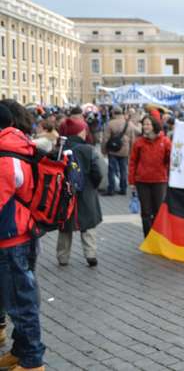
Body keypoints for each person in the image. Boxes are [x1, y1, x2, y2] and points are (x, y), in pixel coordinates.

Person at [0, 102, 46, 371]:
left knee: (21, 303)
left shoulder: (6, 154)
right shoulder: (16, 145)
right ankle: (20, 352)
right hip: (20, 233)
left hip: (12, 238)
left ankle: (32, 362)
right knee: (19, 298)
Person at [56, 118, 104, 267]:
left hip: (65, 192)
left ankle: (63, 256)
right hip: (86, 191)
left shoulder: (59, 148)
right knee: (88, 224)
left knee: (65, 225)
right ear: (79, 131)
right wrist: (93, 186)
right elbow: (99, 172)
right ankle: (90, 254)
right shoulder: (88, 149)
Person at [128, 115, 172, 238]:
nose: (145, 126)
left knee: (158, 211)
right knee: (146, 212)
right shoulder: (139, 142)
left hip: (159, 180)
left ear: (154, 126)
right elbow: (132, 162)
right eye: (144, 124)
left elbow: (171, 160)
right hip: (142, 181)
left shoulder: (165, 141)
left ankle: (158, 237)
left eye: (148, 124)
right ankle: (148, 237)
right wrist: (131, 181)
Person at [102, 106, 134, 196]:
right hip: (125, 150)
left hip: (113, 150)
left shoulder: (110, 124)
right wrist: (131, 151)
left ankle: (111, 189)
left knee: (111, 170)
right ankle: (123, 188)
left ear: (113, 113)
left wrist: (103, 150)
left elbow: (105, 139)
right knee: (123, 170)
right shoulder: (129, 124)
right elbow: (132, 139)